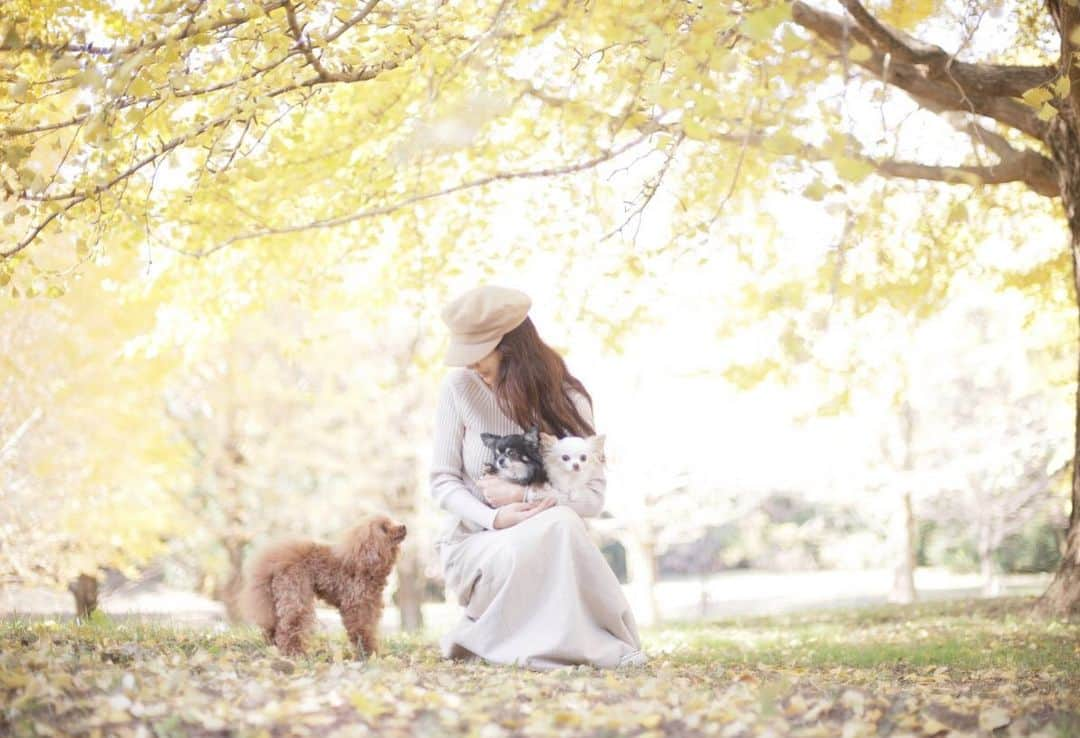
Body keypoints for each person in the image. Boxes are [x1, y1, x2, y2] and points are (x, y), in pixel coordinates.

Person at [430, 285, 647, 670]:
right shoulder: (458, 388)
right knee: (554, 528)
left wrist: (523, 497)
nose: (469, 364)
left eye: (478, 352)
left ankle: (590, 643)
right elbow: (442, 481)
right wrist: (495, 517)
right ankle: (562, 644)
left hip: (552, 542)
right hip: (476, 544)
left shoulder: (568, 399)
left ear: (511, 347)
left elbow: (593, 500)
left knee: (561, 523)